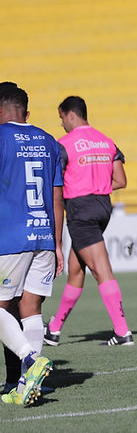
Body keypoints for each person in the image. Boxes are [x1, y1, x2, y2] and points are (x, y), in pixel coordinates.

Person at [43, 96, 132, 347]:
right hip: (103, 207)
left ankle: (123, 331)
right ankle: (55, 329)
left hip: (80, 210)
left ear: (70, 114)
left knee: (101, 270)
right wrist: (97, 186)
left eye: (61, 118)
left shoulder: (64, 145)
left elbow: (57, 186)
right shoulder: (107, 141)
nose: (61, 124)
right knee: (75, 271)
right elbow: (121, 181)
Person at [0, 84, 58, 405]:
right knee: (30, 308)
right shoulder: (48, 141)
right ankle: (26, 386)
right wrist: (59, 243)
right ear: (27, 112)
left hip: (10, 237)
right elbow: (57, 195)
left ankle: (30, 361)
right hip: (45, 235)